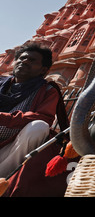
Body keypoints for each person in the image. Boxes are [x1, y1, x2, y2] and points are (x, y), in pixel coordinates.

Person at [0, 44, 64, 178]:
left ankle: (4, 178)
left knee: (39, 127)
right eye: (21, 58)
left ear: (43, 70)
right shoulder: (2, 82)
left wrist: (5, 118)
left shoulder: (48, 90)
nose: (24, 61)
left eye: (32, 60)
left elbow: (43, 117)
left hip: (12, 147)